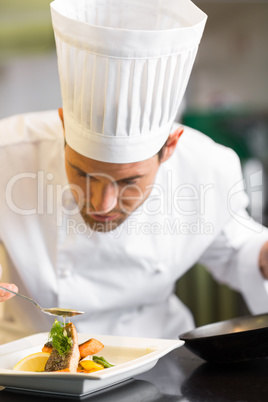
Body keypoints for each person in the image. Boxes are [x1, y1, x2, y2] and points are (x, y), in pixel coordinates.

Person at [1, 0, 268, 342]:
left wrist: (262, 255)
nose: (101, 203)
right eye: (83, 173)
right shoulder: (8, 150)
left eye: (128, 181)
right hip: (25, 358)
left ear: (169, 148)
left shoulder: (208, 165)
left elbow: (236, 248)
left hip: (157, 354)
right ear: (64, 126)